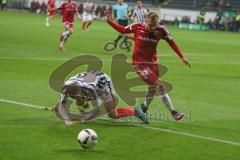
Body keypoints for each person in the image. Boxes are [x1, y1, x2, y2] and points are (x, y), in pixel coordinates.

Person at [104, 11, 191, 121]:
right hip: (139, 64)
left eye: (154, 25)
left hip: (153, 63)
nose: (152, 27)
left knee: (152, 88)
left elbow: (172, 42)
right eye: (150, 25)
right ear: (146, 20)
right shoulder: (137, 26)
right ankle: (173, 112)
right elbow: (123, 30)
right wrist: (109, 21)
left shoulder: (161, 30)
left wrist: (182, 57)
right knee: (159, 85)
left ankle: (143, 108)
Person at [55, 71, 148, 126]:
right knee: (80, 102)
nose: (78, 97)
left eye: (80, 95)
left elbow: (97, 110)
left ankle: (135, 111)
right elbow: (61, 107)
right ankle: (83, 108)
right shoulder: (66, 88)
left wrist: (82, 120)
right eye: (75, 97)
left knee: (113, 115)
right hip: (89, 80)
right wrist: (66, 120)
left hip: (103, 84)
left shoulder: (90, 88)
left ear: (81, 90)